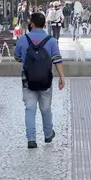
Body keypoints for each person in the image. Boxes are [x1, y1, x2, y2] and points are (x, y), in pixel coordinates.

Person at [15, 12, 67, 147]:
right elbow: (57, 59)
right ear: (45, 24)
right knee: (46, 108)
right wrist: (62, 76)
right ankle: (48, 134)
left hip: (27, 79)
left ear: (31, 23)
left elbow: (17, 57)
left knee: (30, 109)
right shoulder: (51, 40)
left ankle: (31, 139)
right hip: (45, 79)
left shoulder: (23, 39)